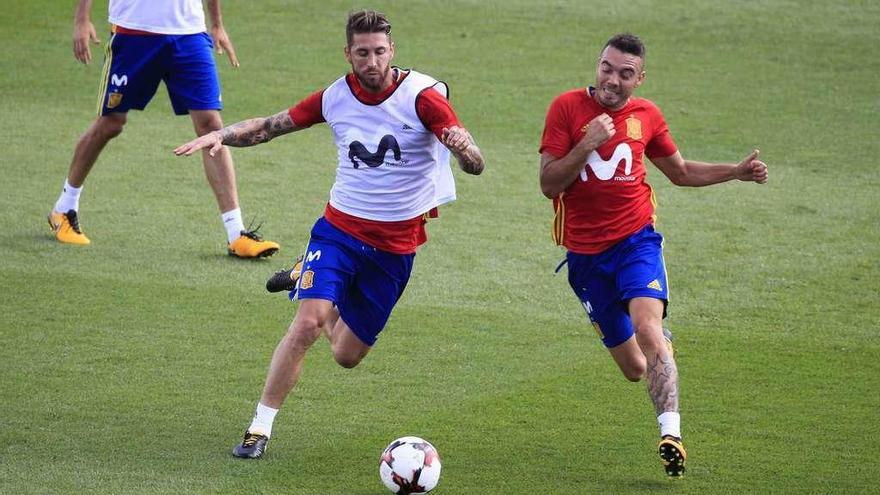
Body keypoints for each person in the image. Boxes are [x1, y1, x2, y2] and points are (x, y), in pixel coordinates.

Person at [175, 9, 485, 459]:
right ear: (348, 53)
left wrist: (465, 152)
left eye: (380, 52)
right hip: (338, 231)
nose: (372, 62)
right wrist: (220, 135)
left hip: (395, 249)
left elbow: (468, 151)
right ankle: (259, 428)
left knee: (345, 354)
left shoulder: (423, 98)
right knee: (306, 323)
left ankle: (306, 273)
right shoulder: (335, 97)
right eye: (363, 53)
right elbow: (269, 126)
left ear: (392, 51)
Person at [539, 33, 768, 477]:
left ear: (639, 79)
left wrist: (735, 172)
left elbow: (679, 172)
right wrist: (587, 142)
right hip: (585, 260)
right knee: (635, 367)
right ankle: (659, 345)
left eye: (626, 74)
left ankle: (671, 434)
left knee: (648, 325)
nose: (613, 80)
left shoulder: (647, 116)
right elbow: (549, 184)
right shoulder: (565, 109)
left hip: (636, 243)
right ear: (598, 65)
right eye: (607, 68)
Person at [48, 0, 279, 258]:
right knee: (111, 123)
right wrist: (82, 19)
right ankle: (65, 207)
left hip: (190, 33)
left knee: (212, 128)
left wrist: (217, 25)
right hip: (134, 32)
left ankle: (236, 234)